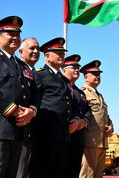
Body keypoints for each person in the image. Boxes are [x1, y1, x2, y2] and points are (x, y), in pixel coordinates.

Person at [29, 37, 79, 178]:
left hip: (64, 134)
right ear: (47, 56)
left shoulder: (64, 80)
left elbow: (71, 103)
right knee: (42, 171)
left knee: (59, 172)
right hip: (45, 133)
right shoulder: (39, 75)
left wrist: (75, 118)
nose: (61, 55)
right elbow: (33, 100)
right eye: (58, 52)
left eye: (62, 53)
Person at [0, 16, 38, 178]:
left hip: (19, 132)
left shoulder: (22, 65)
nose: (15, 37)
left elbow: (35, 92)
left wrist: (32, 111)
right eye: (10, 33)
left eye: (17, 34)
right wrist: (13, 110)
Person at [79, 60, 114, 178]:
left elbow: (105, 115)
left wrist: (111, 125)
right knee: (87, 174)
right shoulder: (82, 93)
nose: (97, 77)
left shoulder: (100, 96)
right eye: (94, 74)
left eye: (99, 74)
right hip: (90, 141)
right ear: (85, 77)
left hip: (102, 141)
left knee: (98, 175)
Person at [62, 54, 92, 178]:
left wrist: (83, 121)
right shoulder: (60, 86)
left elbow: (88, 111)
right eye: (73, 67)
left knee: (74, 171)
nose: (76, 70)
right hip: (64, 135)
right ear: (63, 70)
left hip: (78, 137)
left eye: (77, 68)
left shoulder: (80, 92)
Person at [16, 38, 40, 178]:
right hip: (15, 126)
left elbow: (36, 98)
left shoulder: (32, 72)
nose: (36, 51)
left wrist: (33, 111)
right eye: (32, 48)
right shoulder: (15, 66)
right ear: (21, 51)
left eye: (37, 48)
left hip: (31, 131)